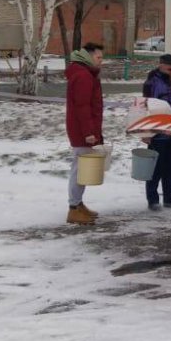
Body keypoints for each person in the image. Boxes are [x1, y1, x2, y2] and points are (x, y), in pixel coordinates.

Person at [142, 53, 171, 210]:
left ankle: (169, 198)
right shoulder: (152, 83)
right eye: (170, 69)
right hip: (158, 132)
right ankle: (153, 200)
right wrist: (146, 133)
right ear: (161, 66)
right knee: (156, 167)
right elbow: (144, 107)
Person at [65, 43, 105, 225]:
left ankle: (78, 204)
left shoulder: (84, 74)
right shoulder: (83, 76)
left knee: (81, 169)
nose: (101, 62)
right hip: (83, 131)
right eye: (99, 58)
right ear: (88, 58)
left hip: (83, 129)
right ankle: (74, 208)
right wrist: (89, 132)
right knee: (80, 170)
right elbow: (83, 106)